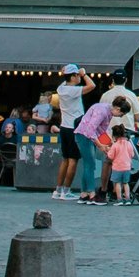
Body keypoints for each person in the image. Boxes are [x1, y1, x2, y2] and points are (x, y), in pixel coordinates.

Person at [72, 83, 116, 203]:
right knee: (90, 164)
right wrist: (101, 145)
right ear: (117, 109)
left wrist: (108, 142)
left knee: (88, 164)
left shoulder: (107, 109)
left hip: (85, 135)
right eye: (121, 113)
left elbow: (101, 129)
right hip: (84, 135)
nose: (121, 115)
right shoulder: (103, 111)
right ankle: (91, 193)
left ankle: (84, 193)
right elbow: (91, 130)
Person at [48, 68, 86, 201]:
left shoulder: (61, 89)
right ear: (74, 76)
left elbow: (64, 81)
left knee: (65, 159)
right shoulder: (73, 90)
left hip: (64, 127)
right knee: (73, 160)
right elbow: (92, 86)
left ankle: (58, 190)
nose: (79, 77)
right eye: (78, 75)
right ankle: (66, 190)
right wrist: (85, 74)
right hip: (73, 128)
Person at [107, 124, 138, 202]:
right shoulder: (129, 144)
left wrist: (108, 150)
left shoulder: (115, 145)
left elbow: (110, 156)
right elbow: (132, 154)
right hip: (127, 167)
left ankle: (119, 199)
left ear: (114, 136)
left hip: (117, 168)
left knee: (117, 183)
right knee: (125, 183)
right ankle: (127, 199)